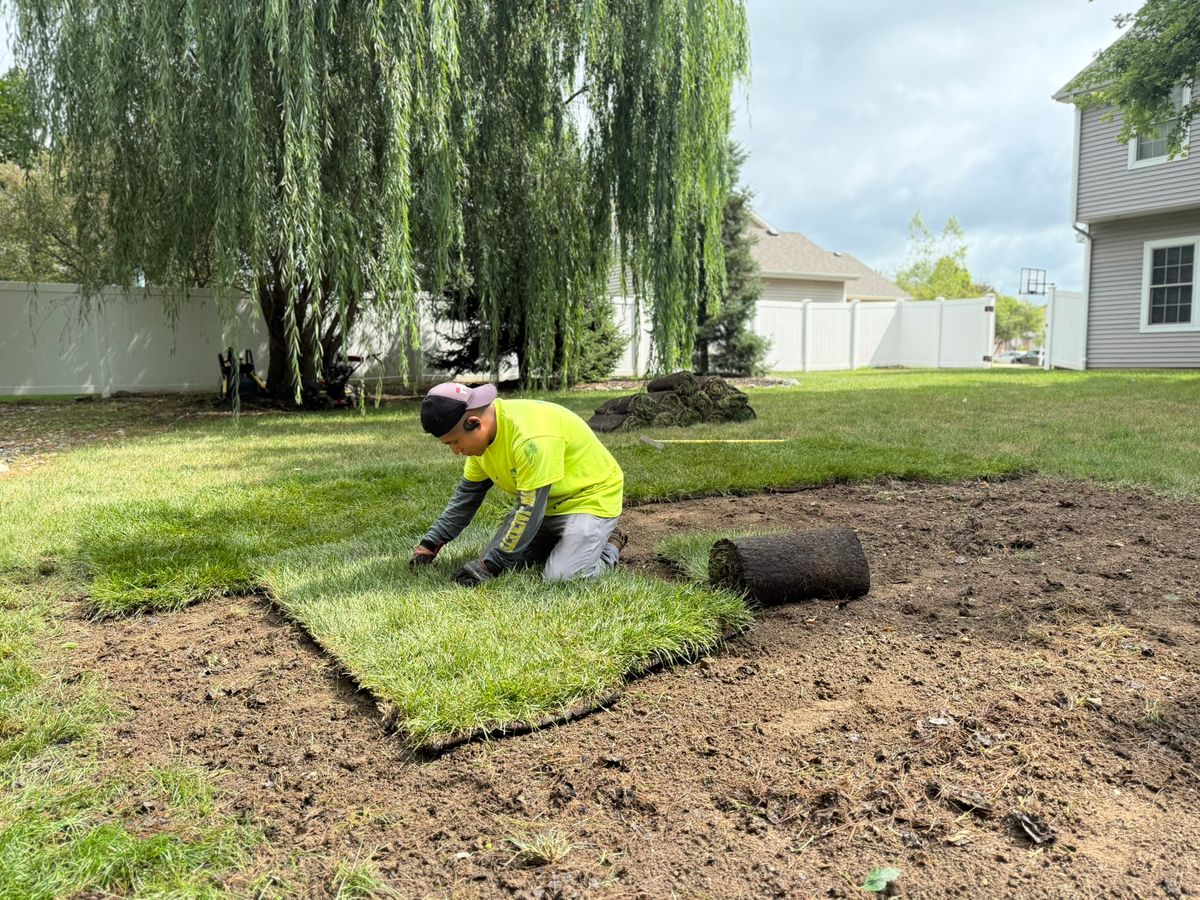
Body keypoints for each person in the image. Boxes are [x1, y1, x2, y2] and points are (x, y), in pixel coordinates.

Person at [410, 382, 626, 586]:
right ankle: (564, 545)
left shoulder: (530, 438)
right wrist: (430, 544)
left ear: (474, 422)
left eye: (455, 442)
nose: (456, 451)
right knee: (508, 562)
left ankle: (609, 548)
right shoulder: (482, 447)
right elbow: (465, 501)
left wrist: (490, 565)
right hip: (544, 505)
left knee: (561, 578)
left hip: (588, 500)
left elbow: (529, 511)